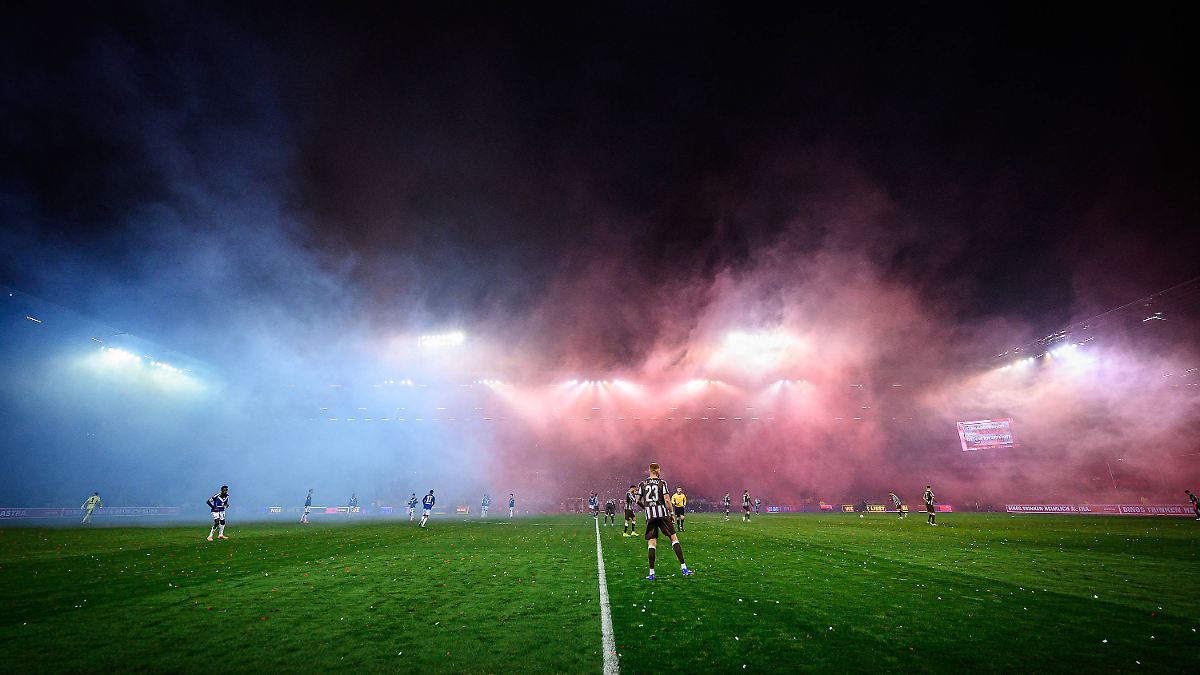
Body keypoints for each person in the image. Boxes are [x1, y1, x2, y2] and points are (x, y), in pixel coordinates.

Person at [638, 463, 693, 580]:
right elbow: (667, 500)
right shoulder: (662, 483)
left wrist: (646, 508)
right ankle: (684, 567)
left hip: (650, 515)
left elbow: (637, 500)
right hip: (662, 514)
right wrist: (672, 513)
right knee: (673, 538)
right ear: (657, 470)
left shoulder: (642, 484)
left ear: (649, 471)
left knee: (652, 542)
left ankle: (651, 573)